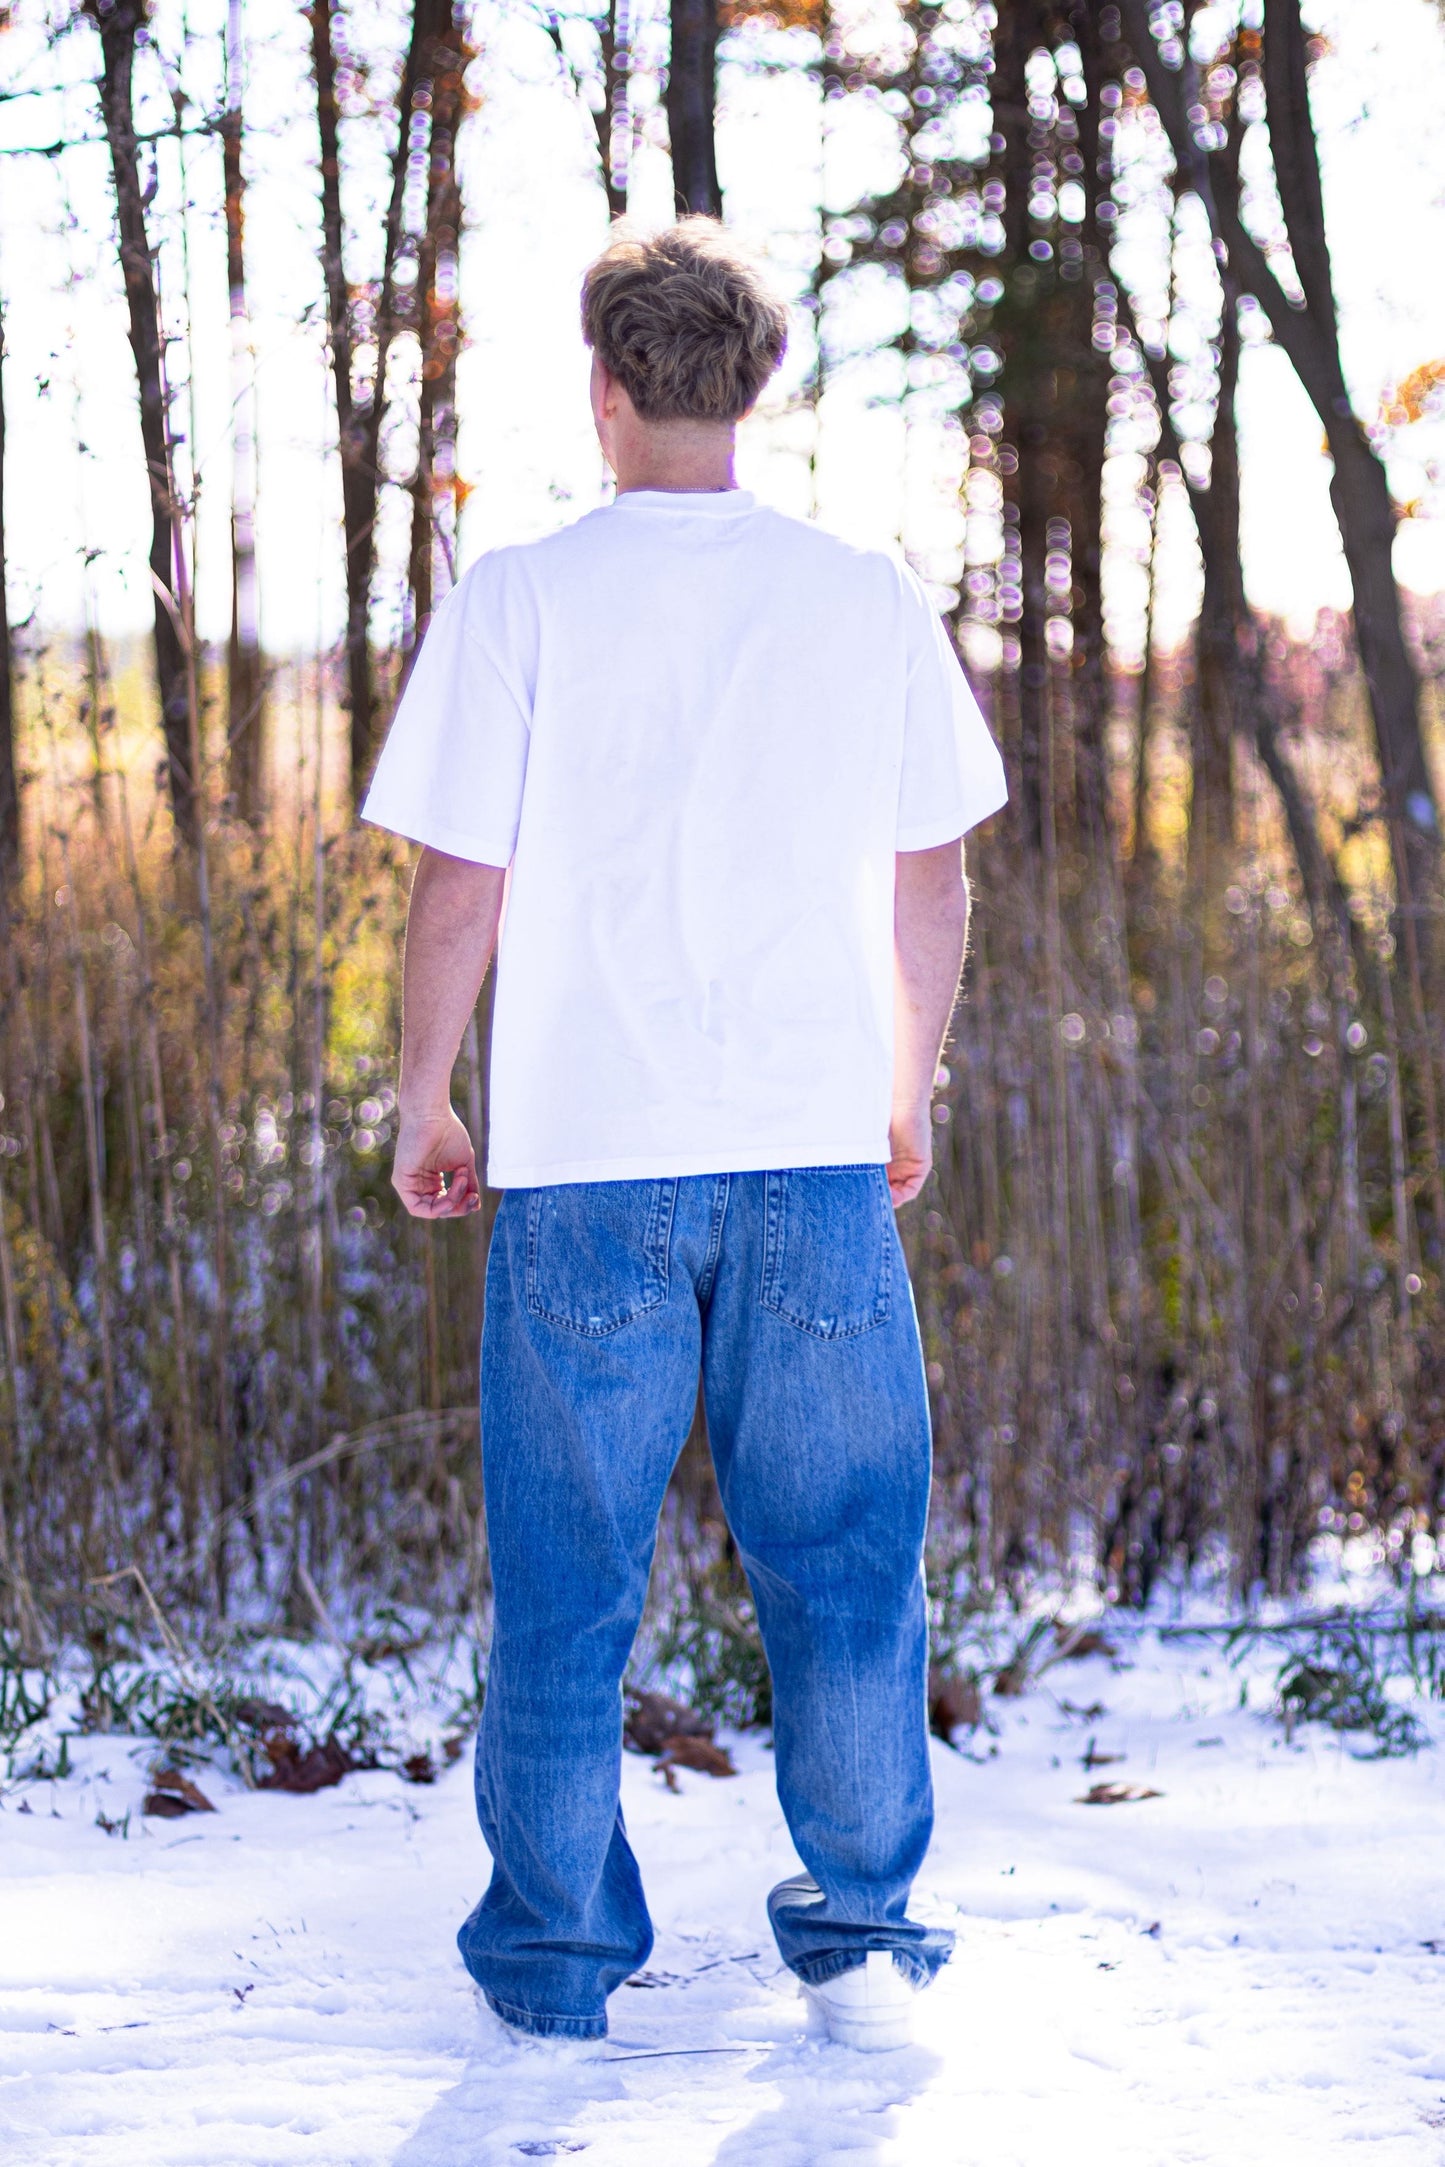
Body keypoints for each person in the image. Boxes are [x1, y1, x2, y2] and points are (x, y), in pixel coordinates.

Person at [362, 219, 1007, 2054]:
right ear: (753, 388)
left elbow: (457, 885)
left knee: (567, 1588)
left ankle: (559, 1965)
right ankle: (868, 1930)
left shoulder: (521, 595)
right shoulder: (861, 594)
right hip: (811, 1155)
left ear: (609, 387)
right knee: (847, 1570)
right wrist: (907, 1085)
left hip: (581, 1165)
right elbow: (933, 877)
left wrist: (428, 1093)